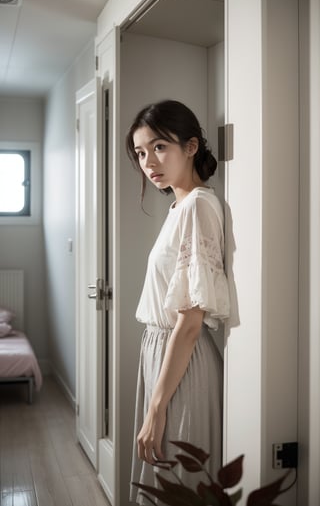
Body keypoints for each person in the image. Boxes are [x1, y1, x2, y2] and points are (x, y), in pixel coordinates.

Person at [126, 100, 230, 505]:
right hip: (163, 356)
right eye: (139, 153)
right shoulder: (179, 207)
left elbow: (190, 321)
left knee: (177, 488)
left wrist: (156, 409)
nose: (148, 162)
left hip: (181, 361)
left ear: (191, 147)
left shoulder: (198, 207)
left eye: (158, 147)